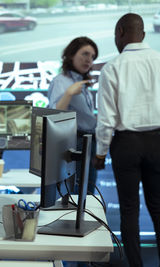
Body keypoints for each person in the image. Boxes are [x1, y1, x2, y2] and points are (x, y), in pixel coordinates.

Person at [94, 13, 160, 267]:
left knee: (129, 209)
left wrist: (100, 154)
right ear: (143, 34)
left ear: (120, 32)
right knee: (158, 207)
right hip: (157, 142)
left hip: (127, 145)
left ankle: (136, 265)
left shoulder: (112, 67)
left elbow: (106, 119)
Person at [47, 36, 98, 194]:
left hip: (89, 140)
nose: (88, 60)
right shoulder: (61, 81)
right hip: (74, 140)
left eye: (92, 57)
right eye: (84, 54)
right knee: (76, 192)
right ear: (71, 55)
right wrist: (69, 93)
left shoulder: (83, 83)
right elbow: (54, 114)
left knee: (87, 191)